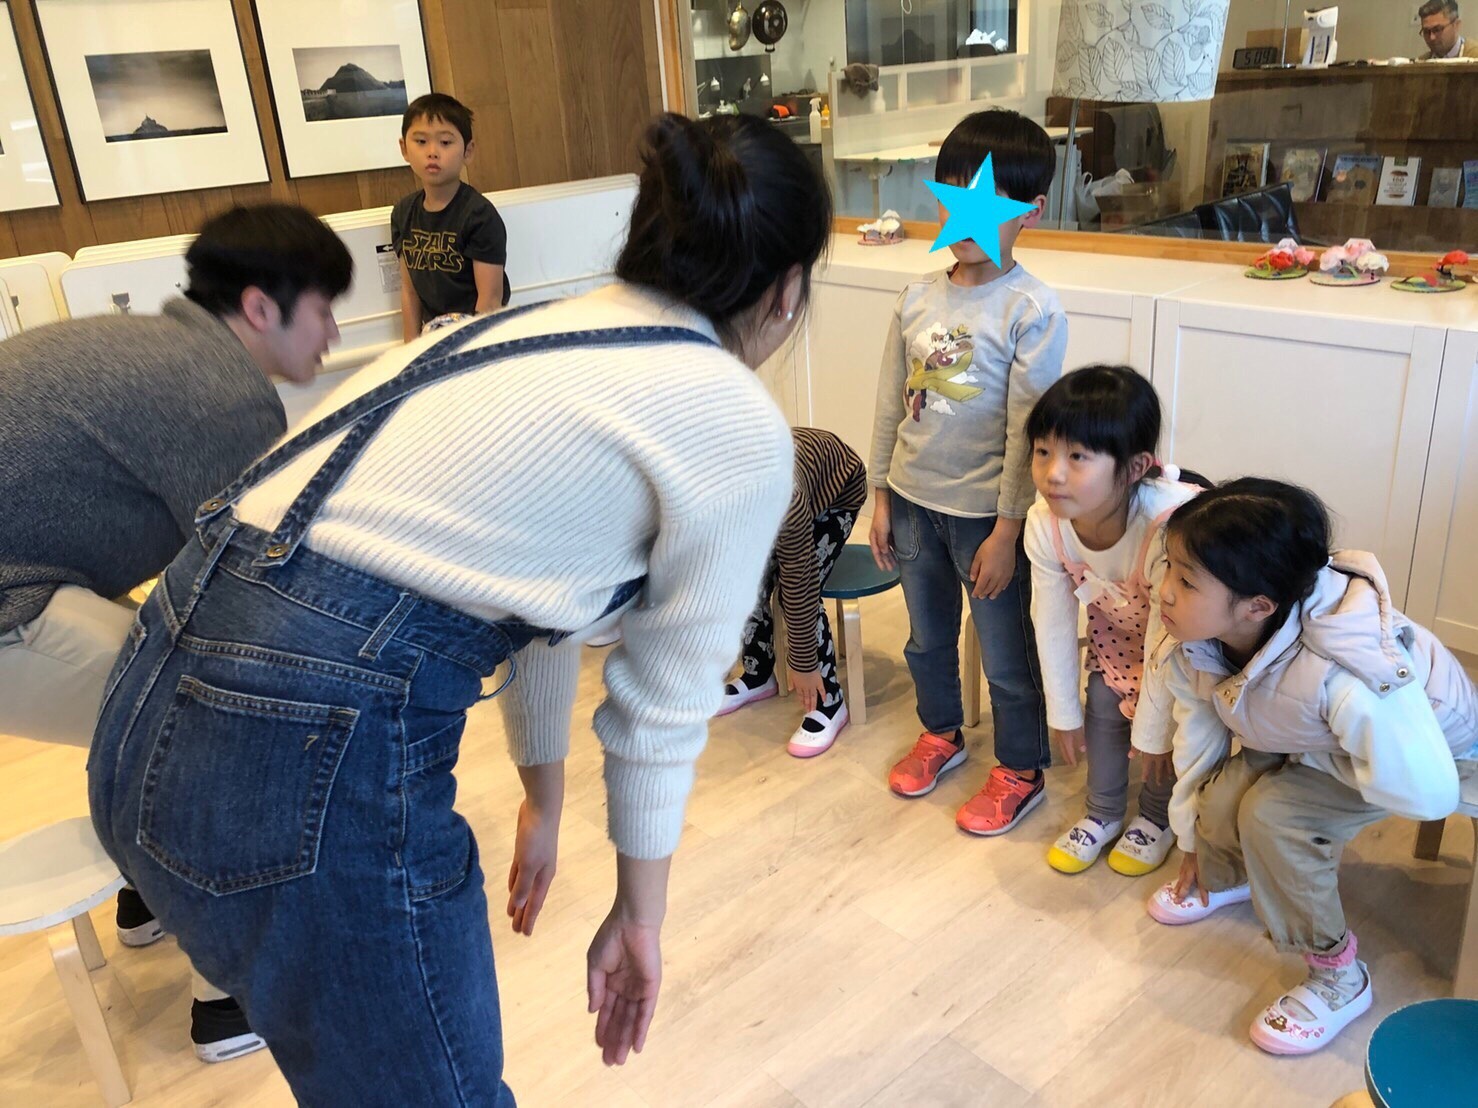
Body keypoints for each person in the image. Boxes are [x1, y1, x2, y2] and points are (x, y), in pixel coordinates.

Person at [88, 110, 831, 1104]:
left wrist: (545, 801)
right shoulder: (731, 422)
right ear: (787, 290)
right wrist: (639, 918)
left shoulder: (501, 334)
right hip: (293, 747)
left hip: (138, 710)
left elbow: (521, 593)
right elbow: (661, 709)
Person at [0, 203, 352, 1062]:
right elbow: (256, 590)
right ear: (261, 307)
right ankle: (226, 998)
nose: (335, 334)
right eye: (324, 309)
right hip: (14, 605)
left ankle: (148, 890)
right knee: (212, 729)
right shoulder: (221, 395)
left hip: (30, 583)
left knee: (151, 695)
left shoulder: (155, 350)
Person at [1134, 479, 1477, 1054]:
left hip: (1426, 754)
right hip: (1309, 730)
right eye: (1169, 567)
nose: (1163, 592)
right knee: (1222, 801)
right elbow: (1198, 738)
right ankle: (1232, 877)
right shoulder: (1200, 634)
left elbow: (1429, 789)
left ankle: (1340, 977)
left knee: (1273, 817)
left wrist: (1306, 766)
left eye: (1187, 582)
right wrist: (1191, 844)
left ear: (1258, 605)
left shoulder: (1346, 675)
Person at [869, 108, 1065, 835]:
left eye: (990, 203)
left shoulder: (1031, 309)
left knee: (1007, 657)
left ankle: (1020, 767)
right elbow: (890, 402)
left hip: (987, 516)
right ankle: (941, 732)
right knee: (926, 639)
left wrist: (1008, 531)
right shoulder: (916, 297)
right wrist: (880, 495)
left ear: (1030, 212)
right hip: (913, 505)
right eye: (956, 195)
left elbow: (1029, 435)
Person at [1023, 366, 1199, 876]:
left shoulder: (1167, 528)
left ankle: (1156, 817)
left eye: (1077, 457)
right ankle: (1101, 812)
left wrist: (1151, 733)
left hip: (1182, 645)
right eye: (1043, 451)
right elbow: (1052, 620)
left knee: (1168, 728)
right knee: (1102, 702)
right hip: (1119, 638)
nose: (1053, 473)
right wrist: (1063, 712)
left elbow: (1167, 638)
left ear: (1134, 467)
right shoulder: (1046, 523)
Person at [718, 427, 868, 757]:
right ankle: (759, 674)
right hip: (786, 486)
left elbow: (800, 578)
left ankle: (830, 701)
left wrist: (803, 663)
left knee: (792, 594)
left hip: (838, 492)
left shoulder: (784, 494)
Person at [393, 93, 512, 341]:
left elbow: (490, 300)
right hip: (433, 336)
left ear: (468, 151)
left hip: (477, 333)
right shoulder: (403, 213)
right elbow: (409, 291)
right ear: (404, 148)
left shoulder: (479, 215)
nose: (432, 152)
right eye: (421, 141)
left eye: (445, 142)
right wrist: (410, 351)